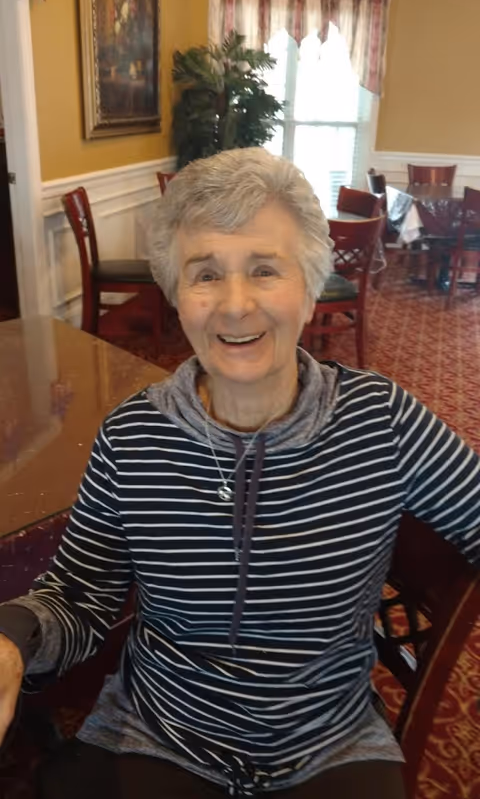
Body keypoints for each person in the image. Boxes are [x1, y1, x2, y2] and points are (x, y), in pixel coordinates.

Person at [0, 148, 478, 799]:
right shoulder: (132, 435)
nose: (234, 304)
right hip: (160, 730)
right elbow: (80, 596)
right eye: (205, 274)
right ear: (176, 294)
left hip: (327, 742)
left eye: (264, 269)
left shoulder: (383, 421)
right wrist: (15, 637)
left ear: (311, 287)